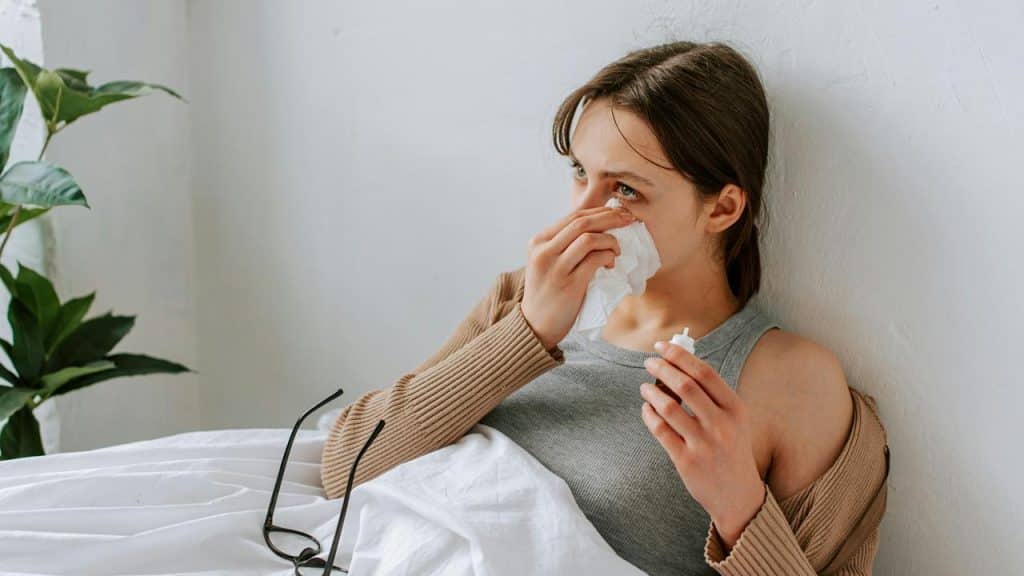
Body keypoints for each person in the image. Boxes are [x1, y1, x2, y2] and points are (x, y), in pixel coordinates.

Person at [320, 40, 889, 575]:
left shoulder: (793, 381)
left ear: (722, 209)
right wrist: (527, 332)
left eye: (625, 190)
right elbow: (345, 465)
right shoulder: (527, 297)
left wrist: (740, 507)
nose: (582, 213)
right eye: (580, 174)